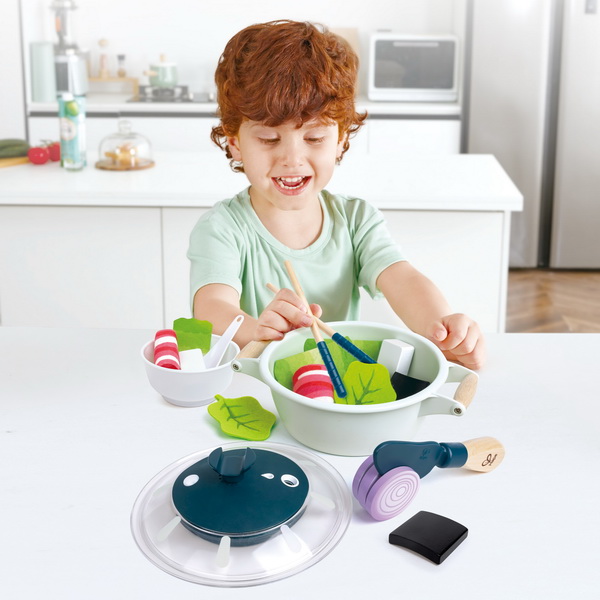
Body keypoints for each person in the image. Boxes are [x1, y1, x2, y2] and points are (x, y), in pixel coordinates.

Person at [188, 20, 485, 370]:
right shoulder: (222, 228)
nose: (292, 159)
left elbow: (403, 280)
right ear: (235, 142)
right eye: (269, 139)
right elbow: (211, 308)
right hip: (254, 386)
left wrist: (443, 327)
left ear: (341, 140)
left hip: (335, 387)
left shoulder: (356, 220)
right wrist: (258, 331)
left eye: (314, 138)